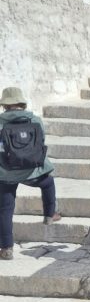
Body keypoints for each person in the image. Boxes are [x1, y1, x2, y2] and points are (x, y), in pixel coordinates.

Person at [0, 86, 61, 259]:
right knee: (48, 182)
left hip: (5, 173)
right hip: (31, 170)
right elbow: (41, 141)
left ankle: (6, 249)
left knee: (5, 209)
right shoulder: (35, 120)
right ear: (21, 103)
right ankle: (50, 214)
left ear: (5, 105)